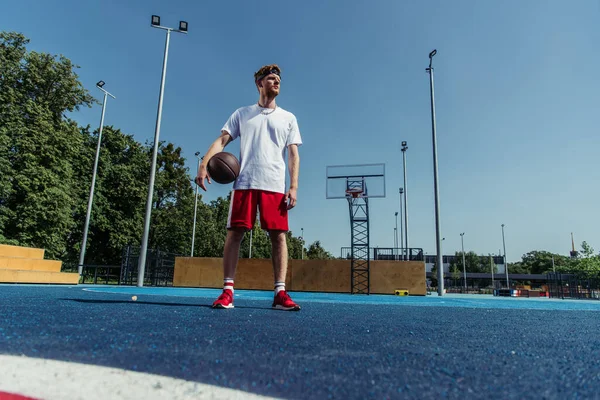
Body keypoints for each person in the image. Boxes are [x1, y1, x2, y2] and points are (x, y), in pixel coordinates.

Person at [195, 64, 302, 311]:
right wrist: (204, 164)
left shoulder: (288, 118)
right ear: (259, 83)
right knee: (235, 234)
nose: (277, 83)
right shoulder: (242, 114)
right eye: (271, 79)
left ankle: (280, 293)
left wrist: (293, 186)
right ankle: (227, 292)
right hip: (244, 182)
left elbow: (293, 154)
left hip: (274, 185)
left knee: (278, 237)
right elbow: (222, 140)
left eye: (278, 80)